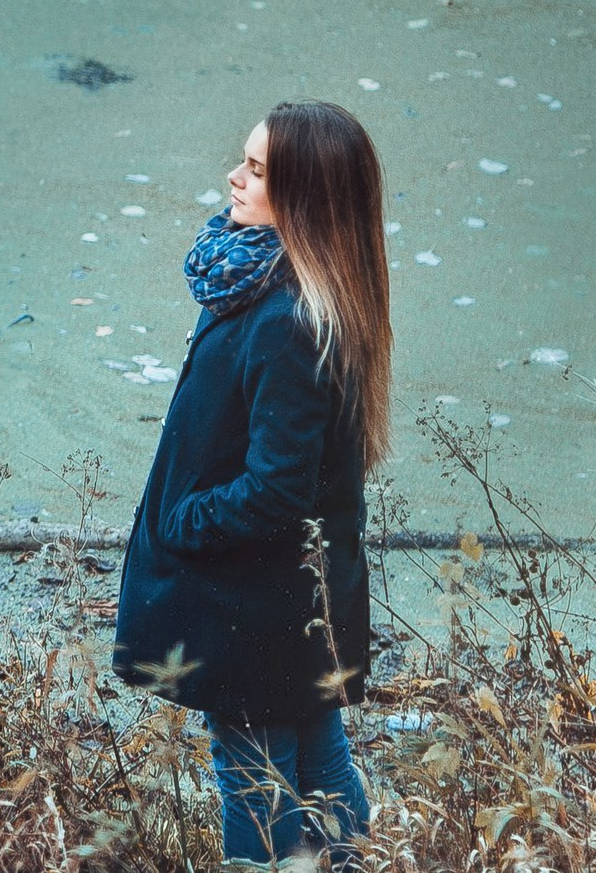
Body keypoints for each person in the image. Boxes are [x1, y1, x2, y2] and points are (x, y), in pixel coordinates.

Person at [110, 100, 392, 869]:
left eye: (259, 169)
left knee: (254, 775)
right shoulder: (290, 288)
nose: (234, 176)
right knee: (315, 755)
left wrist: (181, 520)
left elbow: (276, 490)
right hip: (293, 599)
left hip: (255, 604)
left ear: (304, 196)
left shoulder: (284, 318)